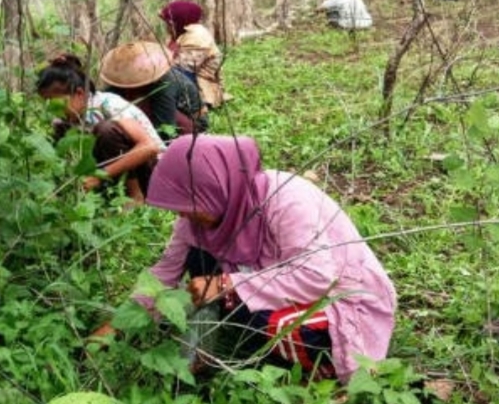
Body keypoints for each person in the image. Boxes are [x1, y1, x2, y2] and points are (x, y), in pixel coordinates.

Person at [94, 135, 397, 383]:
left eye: (187, 204)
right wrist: (116, 326)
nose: (181, 214)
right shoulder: (193, 220)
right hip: (269, 281)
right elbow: (164, 273)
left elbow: (317, 277)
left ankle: (312, 373)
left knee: (303, 333)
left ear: (215, 187)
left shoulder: (285, 199)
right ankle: (219, 344)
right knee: (198, 257)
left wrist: (227, 284)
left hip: (339, 294)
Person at [36, 54, 165, 203]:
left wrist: (100, 176)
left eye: (54, 102)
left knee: (106, 130)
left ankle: (134, 197)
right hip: (110, 175)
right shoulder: (62, 121)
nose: (50, 109)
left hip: (153, 172)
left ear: (79, 93)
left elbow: (149, 147)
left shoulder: (108, 104)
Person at [99, 40, 208, 139]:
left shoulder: (164, 84)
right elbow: (105, 98)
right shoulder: (120, 85)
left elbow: (166, 126)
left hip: (192, 123)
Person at [159, 0, 228, 110]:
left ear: (178, 21)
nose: (167, 26)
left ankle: (190, 105)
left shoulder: (197, 37)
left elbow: (183, 68)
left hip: (197, 85)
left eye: (168, 23)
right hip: (186, 77)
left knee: (172, 76)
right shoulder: (180, 33)